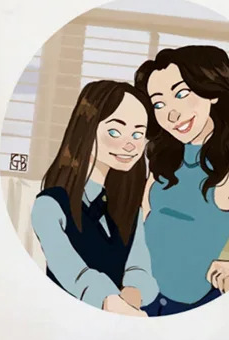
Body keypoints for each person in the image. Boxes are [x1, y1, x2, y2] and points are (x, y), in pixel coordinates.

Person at [134, 45, 229, 317]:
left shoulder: (228, 171)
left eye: (181, 94)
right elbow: (145, 214)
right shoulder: (163, 160)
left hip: (187, 304)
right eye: (159, 104)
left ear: (211, 93)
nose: (171, 114)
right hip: (142, 294)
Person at [31, 80, 158, 317]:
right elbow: (73, 273)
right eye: (114, 132)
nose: (130, 144)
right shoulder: (49, 206)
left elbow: (139, 268)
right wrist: (111, 303)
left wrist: (132, 296)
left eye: (138, 134)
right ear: (87, 129)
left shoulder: (130, 208)